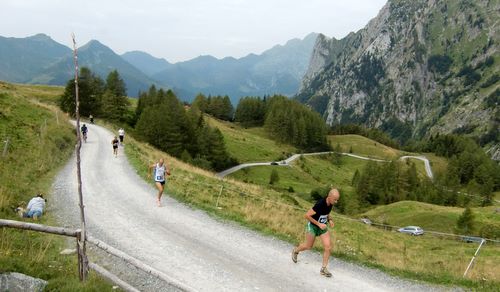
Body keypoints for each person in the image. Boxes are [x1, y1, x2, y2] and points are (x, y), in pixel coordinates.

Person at [291, 188, 340, 277]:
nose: (336, 202)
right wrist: (319, 224)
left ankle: (323, 269)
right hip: (313, 226)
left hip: (322, 226)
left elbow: (326, 212)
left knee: (328, 247)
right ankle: (295, 250)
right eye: (335, 199)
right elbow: (307, 215)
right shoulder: (320, 204)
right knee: (308, 246)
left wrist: (330, 220)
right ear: (329, 197)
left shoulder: (330, 203)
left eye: (337, 200)